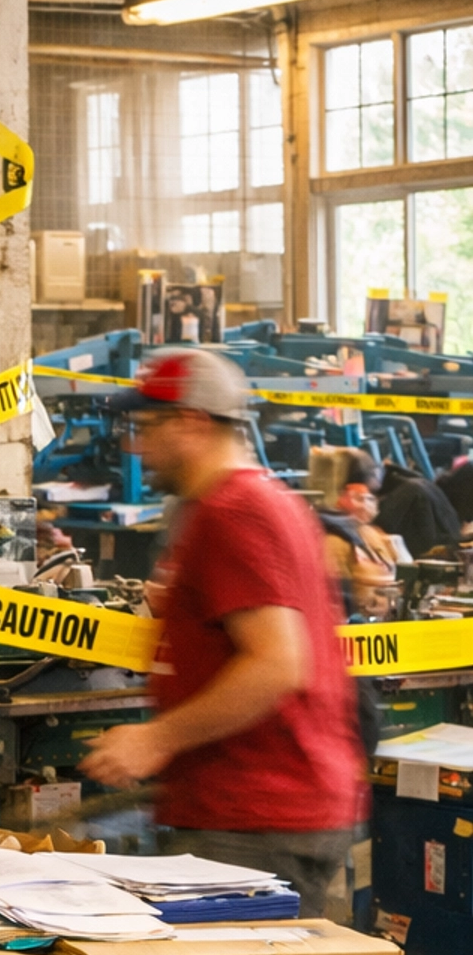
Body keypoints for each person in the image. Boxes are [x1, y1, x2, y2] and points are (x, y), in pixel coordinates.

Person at [82, 345, 366, 917]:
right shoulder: (250, 502)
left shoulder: (233, 511)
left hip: (255, 815)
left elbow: (276, 663)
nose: (135, 447)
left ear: (191, 421)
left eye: (146, 427)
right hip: (250, 806)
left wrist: (156, 740)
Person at [320, 451, 399, 614]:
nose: (365, 503)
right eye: (358, 497)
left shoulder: (372, 533)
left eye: (369, 497)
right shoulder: (334, 542)